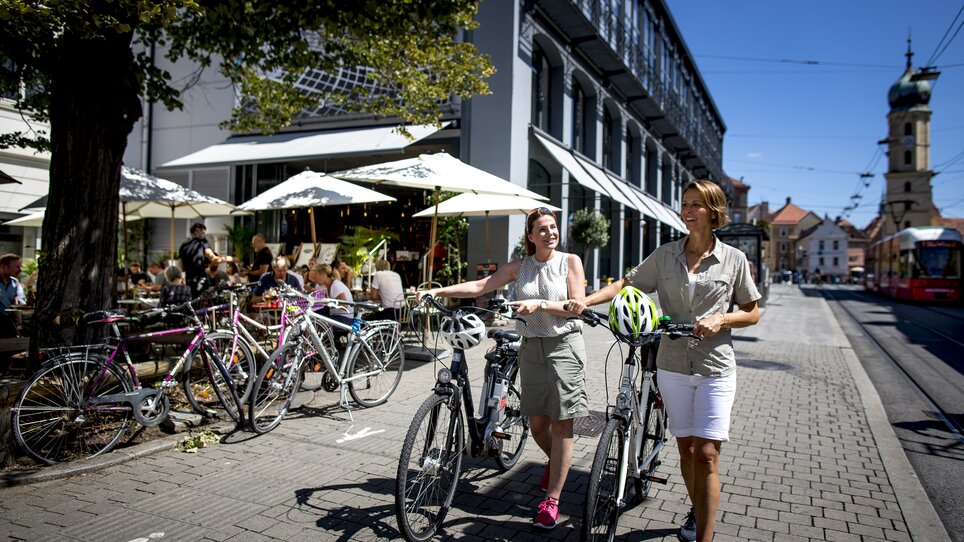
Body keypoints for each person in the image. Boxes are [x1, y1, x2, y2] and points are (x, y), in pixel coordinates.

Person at [567, 180, 761, 542]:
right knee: (686, 448)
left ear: (713, 211)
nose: (687, 211)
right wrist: (586, 301)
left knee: (706, 454)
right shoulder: (666, 254)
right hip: (671, 363)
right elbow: (625, 284)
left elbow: (752, 312)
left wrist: (722, 318)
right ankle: (697, 507)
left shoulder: (733, 259)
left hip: (715, 366)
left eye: (696, 205)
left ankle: (705, 535)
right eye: (685, 204)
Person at [416, 207, 587, 530]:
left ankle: (552, 499)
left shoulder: (569, 262)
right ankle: (557, 462)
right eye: (543, 229)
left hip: (564, 347)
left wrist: (541, 305)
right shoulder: (521, 266)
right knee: (537, 425)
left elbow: (576, 305)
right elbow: (481, 286)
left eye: (553, 227)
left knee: (562, 424)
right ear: (531, 236)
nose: (551, 232)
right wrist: (436, 290)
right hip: (531, 348)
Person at [179, 223, 233, 296]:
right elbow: (214, 259)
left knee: (193, 301)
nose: (204, 234)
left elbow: (181, 266)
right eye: (203, 232)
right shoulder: (202, 242)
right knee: (202, 301)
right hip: (200, 279)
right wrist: (231, 258)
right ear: (197, 231)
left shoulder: (183, 245)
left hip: (189, 279)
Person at [0, 254, 25, 338]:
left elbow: (17, 303)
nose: (20, 270)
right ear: (4, 266)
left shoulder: (14, 283)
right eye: (16, 267)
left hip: (9, 324)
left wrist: (19, 322)